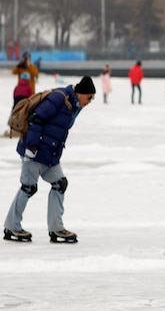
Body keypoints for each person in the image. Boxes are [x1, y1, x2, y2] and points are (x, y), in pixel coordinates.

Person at [3, 76, 96, 243]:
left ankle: (56, 228)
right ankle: (12, 226)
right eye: (89, 97)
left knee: (60, 184)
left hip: (50, 155)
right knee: (28, 188)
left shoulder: (73, 105)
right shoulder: (58, 98)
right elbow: (36, 119)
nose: (90, 101)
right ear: (80, 93)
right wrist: (31, 148)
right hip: (35, 151)